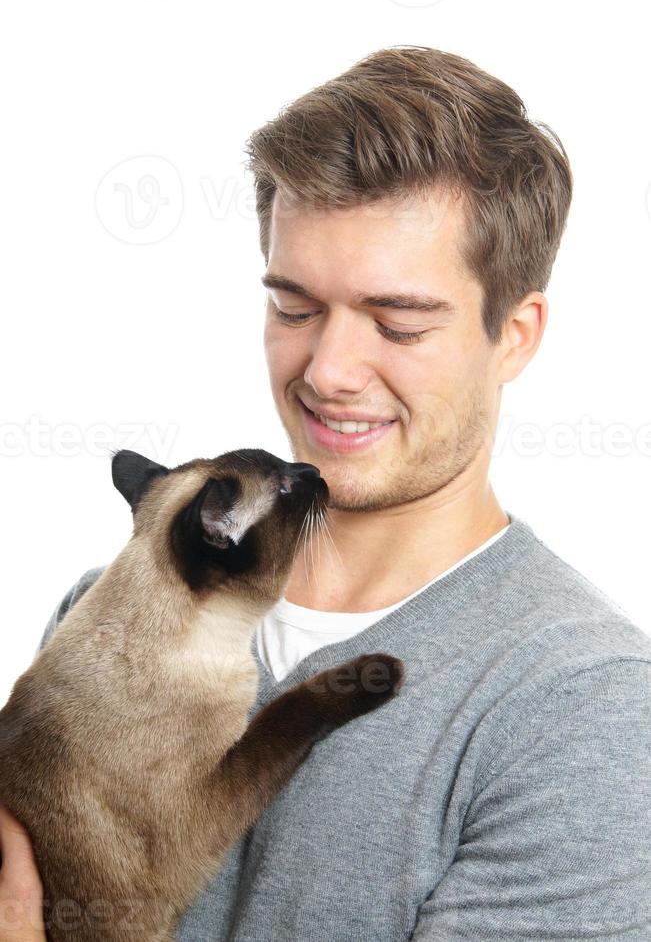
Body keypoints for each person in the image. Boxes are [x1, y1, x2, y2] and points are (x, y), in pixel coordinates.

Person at [2, 46, 650, 941]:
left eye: (397, 322)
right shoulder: (100, 611)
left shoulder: (581, 709)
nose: (328, 372)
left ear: (515, 335)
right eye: (294, 308)